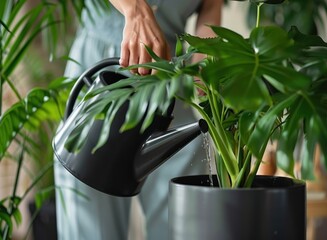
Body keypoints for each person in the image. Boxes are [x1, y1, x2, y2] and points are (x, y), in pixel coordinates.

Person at [54, 0, 223, 239]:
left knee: (182, 216)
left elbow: (210, 9)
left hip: (166, 82)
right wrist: (134, 10)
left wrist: (205, 64)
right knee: (92, 226)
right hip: (102, 75)